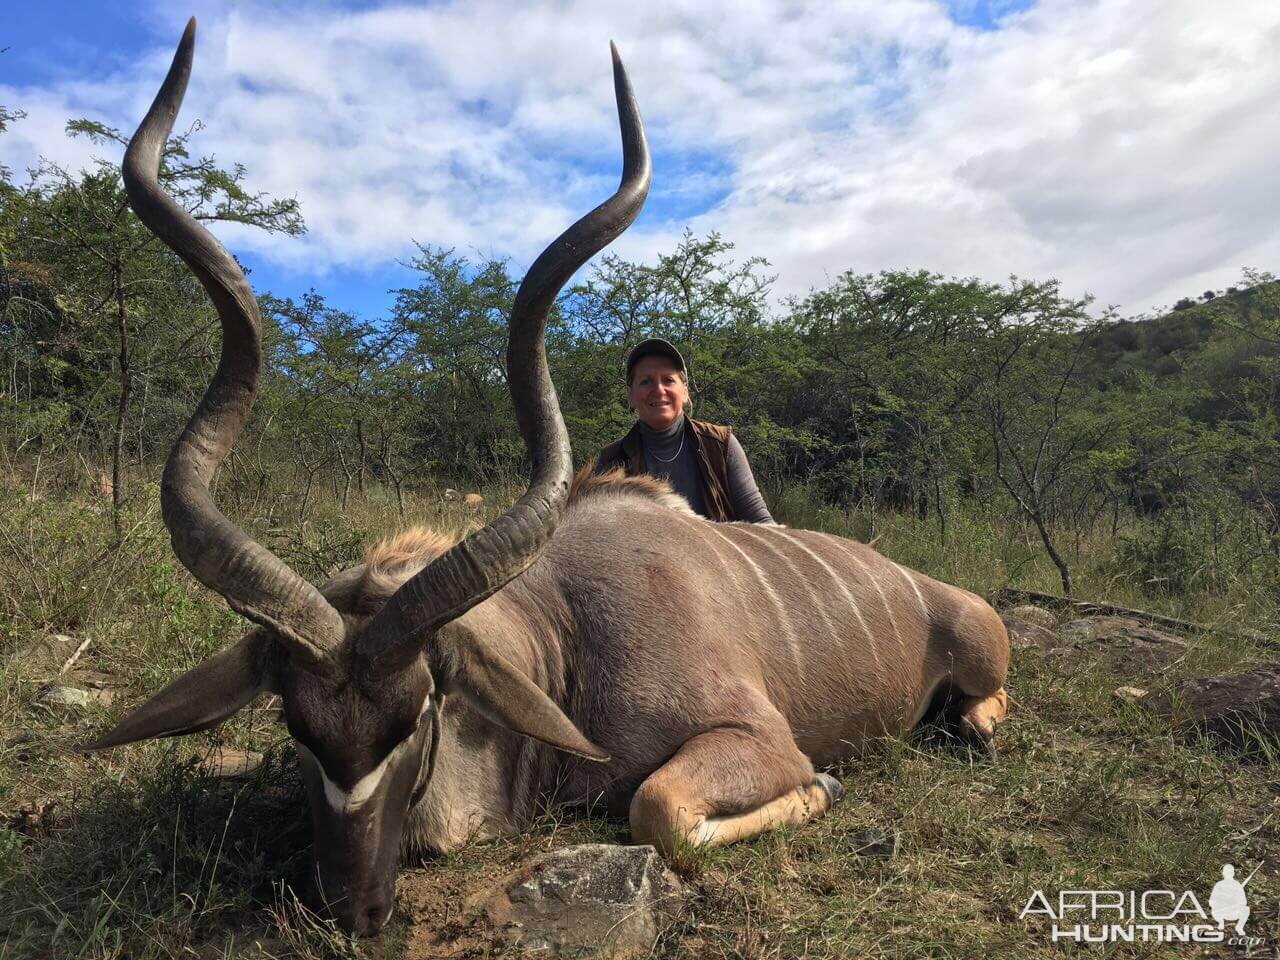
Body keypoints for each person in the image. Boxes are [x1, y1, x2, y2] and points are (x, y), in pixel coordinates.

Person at [593, 338, 774, 523]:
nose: (658, 389)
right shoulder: (611, 461)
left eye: (668, 380)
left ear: (685, 392)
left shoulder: (720, 444)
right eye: (646, 381)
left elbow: (760, 520)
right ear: (630, 396)